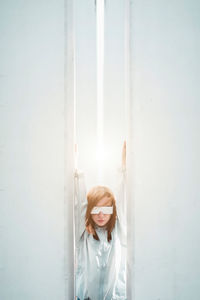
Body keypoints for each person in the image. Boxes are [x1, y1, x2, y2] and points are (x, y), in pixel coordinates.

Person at [74, 142, 127, 300]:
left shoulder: (118, 231)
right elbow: (81, 205)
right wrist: (76, 169)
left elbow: (122, 201)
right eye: (96, 209)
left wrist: (123, 169)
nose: (101, 215)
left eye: (106, 209)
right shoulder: (83, 234)